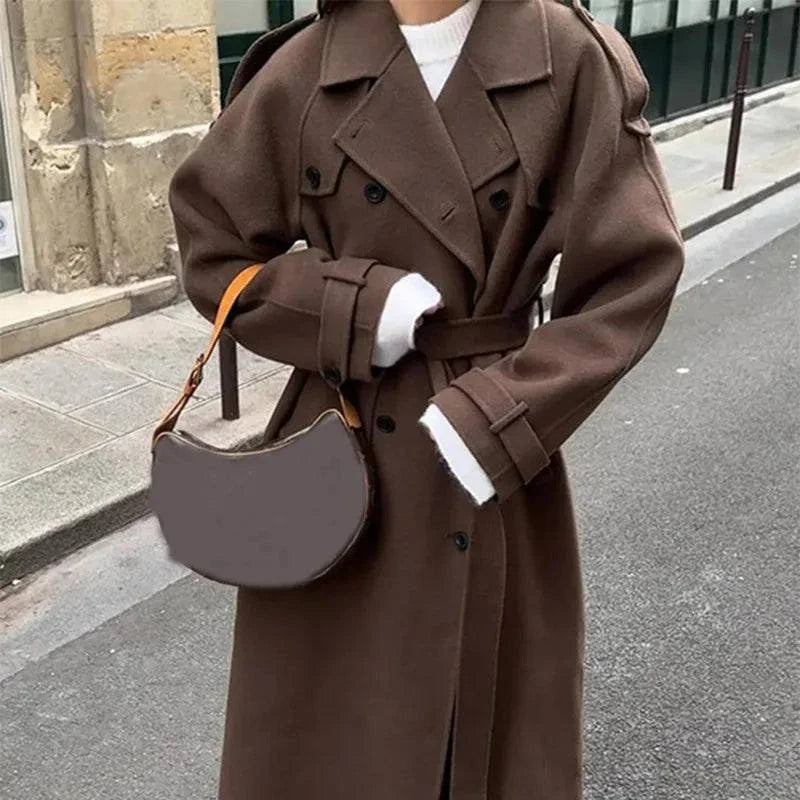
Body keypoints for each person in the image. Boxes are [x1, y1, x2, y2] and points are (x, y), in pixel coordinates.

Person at [167, 0, 685, 797]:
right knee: (319, 742)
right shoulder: (308, 64)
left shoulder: (569, 57)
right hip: (338, 458)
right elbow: (212, 245)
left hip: (486, 458)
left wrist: (504, 416)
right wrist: (354, 308)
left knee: (476, 738)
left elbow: (634, 271)